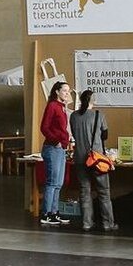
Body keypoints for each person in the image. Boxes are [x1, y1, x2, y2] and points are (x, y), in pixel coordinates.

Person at [68, 89, 116, 232]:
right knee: (104, 192)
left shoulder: (74, 116)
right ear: (92, 101)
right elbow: (105, 135)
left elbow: (74, 134)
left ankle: (87, 223)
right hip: (97, 160)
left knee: (84, 191)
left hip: (80, 159)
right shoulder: (98, 115)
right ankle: (108, 223)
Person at [38, 81, 73, 226]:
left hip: (61, 148)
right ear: (57, 92)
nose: (67, 93)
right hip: (52, 148)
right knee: (52, 182)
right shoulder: (52, 105)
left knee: (58, 183)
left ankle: (54, 212)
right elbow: (44, 127)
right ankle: (46, 213)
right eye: (64, 90)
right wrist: (56, 140)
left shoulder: (62, 107)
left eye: (68, 91)